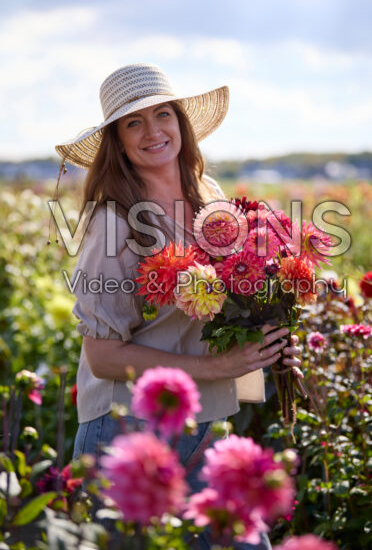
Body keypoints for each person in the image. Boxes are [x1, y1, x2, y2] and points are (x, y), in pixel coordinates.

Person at [55, 63, 303, 550]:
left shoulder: (209, 199)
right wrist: (217, 366)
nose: (152, 131)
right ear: (117, 141)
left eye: (162, 114)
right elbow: (103, 357)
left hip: (203, 422)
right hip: (129, 432)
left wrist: (265, 347)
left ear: (181, 123)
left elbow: (228, 309)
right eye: (133, 122)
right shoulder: (116, 222)